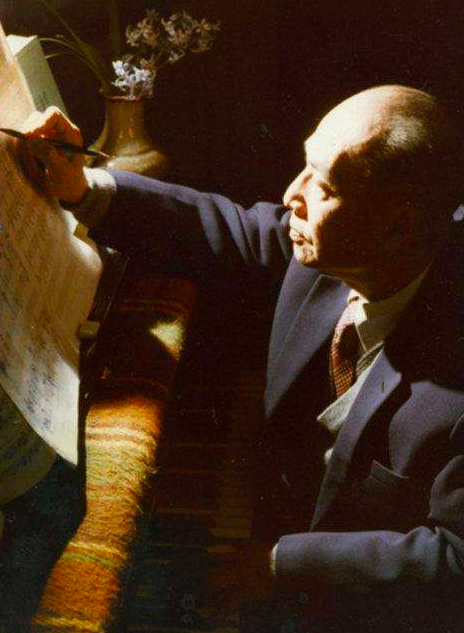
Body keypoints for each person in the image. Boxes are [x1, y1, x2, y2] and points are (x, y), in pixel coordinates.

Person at [19, 85, 464, 632]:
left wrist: (281, 564)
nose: (292, 194)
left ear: (399, 226)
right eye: (305, 166)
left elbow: (456, 557)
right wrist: (82, 188)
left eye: (323, 186)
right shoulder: (341, 244)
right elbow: (238, 230)